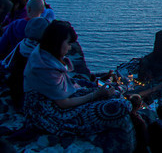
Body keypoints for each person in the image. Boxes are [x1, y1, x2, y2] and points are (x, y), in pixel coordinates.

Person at [22, 21, 133, 150]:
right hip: (48, 113)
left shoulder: (45, 56)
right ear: (57, 42)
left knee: (113, 94)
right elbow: (63, 103)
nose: (69, 48)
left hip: (55, 101)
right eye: (68, 43)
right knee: (122, 105)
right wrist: (95, 95)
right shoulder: (45, 67)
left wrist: (96, 93)